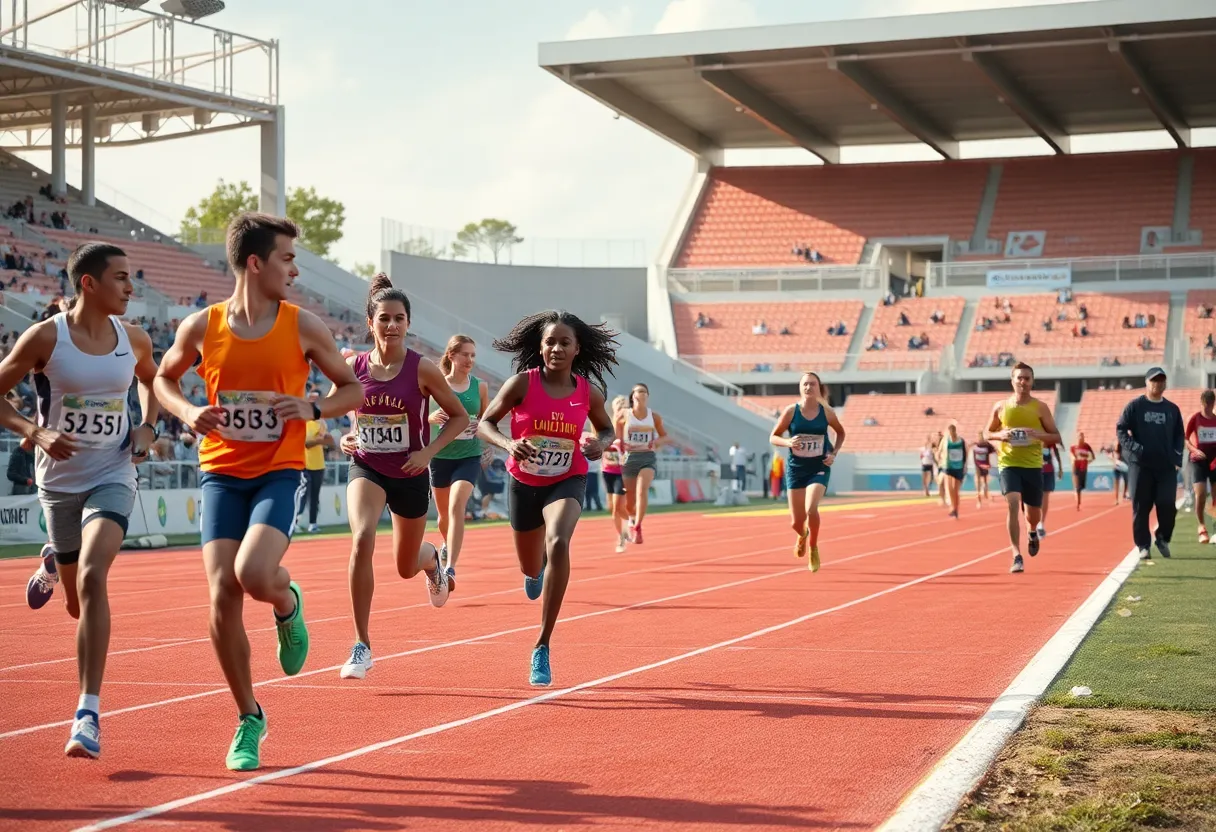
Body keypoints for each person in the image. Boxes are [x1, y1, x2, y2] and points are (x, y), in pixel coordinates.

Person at [154, 213, 363, 771]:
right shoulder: (202, 327)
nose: (294, 270)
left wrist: (313, 407)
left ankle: (287, 603)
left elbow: (353, 389)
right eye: (287, 259)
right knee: (222, 592)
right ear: (255, 262)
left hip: (279, 469)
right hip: (221, 471)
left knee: (252, 574)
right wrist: (188, 410)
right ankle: (249, 718)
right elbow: (163, 378)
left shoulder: (302, 326)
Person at [2, 242, 159, 759]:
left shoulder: (132, 338)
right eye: (121, 278)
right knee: (75, 603)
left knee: (94, 577)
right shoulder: (46, 338)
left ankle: (87, 713)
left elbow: (155, 383)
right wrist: (34, 430)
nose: (131, 288)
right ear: (88, 283)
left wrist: (147, 427)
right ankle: (52, 561)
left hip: (113, 473)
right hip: (58, 483)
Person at [338, 277, 469, 681]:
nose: (391, 325)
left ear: (408, 323)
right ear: (370, 322)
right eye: (384, 318)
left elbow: (459, 416)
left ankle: (431, 560)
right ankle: (362, 645)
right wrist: (347, 431)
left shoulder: (422, 368)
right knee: (362, 538)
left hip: (410, 472)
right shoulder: (353, 366)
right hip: (368, 465)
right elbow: (343, 402)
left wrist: (428, 452)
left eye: (398, 319)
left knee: (404, 566)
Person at [478, 310, 616, 686]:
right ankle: (534, 571)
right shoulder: (522, 383)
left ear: (577, 349)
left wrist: (598, 445)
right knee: (530, 563)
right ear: (540, 348)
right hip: (523, 481)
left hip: (566, 479)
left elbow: (606, 429)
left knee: (558, 541)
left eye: (564, 342)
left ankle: (542, 645)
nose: (556, 348)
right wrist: (509, 443)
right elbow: (485, 423)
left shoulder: (589, 393)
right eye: (550, 342)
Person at [984, 362, 1061, 574]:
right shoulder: (1000, 407)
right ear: (1012, 381)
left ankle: (1033, 532)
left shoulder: (1040, 407)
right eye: (1019, 378)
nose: (1023, 382)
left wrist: (1038, 435)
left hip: (1033, 466)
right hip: (1008, 463)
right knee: (1012, 503)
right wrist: (1000, 436)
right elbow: (986, 433)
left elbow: (1056, 436)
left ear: (1032, 381)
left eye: (1027, 378)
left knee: (1032, 515)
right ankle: (1016, 554)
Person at [769, 371, 845, 573]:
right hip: (796, 468)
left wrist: (834, 453)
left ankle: (813, 547)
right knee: (796, 522)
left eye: (812, 384)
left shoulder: (826, 412)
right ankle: (802, 535)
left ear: (819, 387)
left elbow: (841, 432)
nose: (808, 387)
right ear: (800, 388)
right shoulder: (790, 412)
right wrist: (787, 442)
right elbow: (773, 437)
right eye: (805, 384)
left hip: (819, 467)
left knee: (811, 508)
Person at [428, 334, 487, 585]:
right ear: (451, 355)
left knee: (456, 506)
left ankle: (450, 567)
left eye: (473, 355)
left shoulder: (480, 387)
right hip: (440, 456)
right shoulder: (435, 385)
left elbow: (486, 421)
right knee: (443, 517)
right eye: (465, 354)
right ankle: (446, 544)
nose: (470, 360)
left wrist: (487, 445)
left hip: (469, 455)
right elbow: (418, 416)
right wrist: (431, 417)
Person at [1116, 367, 1184, 561]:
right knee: (1141, 506)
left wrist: (1177, 456)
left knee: (1168, 505)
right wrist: (1134, 449)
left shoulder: (1172, 409)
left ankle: (1162, 537)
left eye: (1162, 380)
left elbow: (1180, 434)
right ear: (1147, 382)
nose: (1158, 383)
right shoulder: (1135, 406)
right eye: (1154, 380)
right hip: (1141, 466)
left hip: (1165, 467)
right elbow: (1121, 430)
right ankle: (1143, 545)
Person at [616, 383, 668, 544]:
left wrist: (657, 443)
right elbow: (615, 435)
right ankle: (632, 520)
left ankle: (638, 526)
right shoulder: (623, 414)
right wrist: (620, 444)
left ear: (648, 396)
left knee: (642, 490)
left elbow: (664, 436)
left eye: (645, 391)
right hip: (630, 459)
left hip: (647, 457)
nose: (643, 394)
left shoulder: (654, 417)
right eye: (639, 391)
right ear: (633, 396)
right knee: (630, 502)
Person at [293, 389, 330, 534]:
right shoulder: (303, 421)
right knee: (302, 496)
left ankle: (313, 523)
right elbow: (307, 443)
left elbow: (328, 441)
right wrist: (320, 439)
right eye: (311, 399)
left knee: (314, 497)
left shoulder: (321, 422)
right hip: (304, 464)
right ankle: (295, 521)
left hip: (318, 464)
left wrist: (321, 440)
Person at [1184, 389, 1216, 543]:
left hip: (1214, 460)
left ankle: (1215, 529)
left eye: (1210, 405)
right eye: (1205, 405)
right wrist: (1195, 450)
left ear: (1213, 404)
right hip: (1198, 460)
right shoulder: (1195, 418)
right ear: (1201, 403)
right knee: (1201, 494)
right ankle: (1201, 526)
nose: (1207, 408)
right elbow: (1185, 439)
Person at [601, 395, 629, 552]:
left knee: (618, 506)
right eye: (619, 403)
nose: (621, 406)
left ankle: (621, 539)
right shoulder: (607, 426)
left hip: (622, 473)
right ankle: (626, 527)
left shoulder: (629, 427)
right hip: (607, 470)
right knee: (613, 509)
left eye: (624, 404)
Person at [939, 422, 967, 518]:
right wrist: (940, 458)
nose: (950, 433)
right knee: (950, 489)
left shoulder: (961, 441)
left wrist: (964, 466)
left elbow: (965, 453)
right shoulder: (945, 440)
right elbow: (939, 451)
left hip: (958, 467)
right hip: (948, 466)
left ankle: (956, 508)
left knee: (955, 490)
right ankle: (953, 508)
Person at [1037, 439, 1064, 535]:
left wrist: (1060, 468)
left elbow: (1057, 455)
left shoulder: (1050, 442)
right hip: (1035, 472)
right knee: (1036, 498)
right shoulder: (1034, 440)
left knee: (1045, 497)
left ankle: (1041, 523)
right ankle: (1034, 521)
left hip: (1048, 472)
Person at [1069, 432, 1095, 511]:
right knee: (1078, 487)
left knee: (1082, 486)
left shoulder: (1087, 446)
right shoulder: (1073, 447)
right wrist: (1073, 461)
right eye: (1079, 437)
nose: (1080, 439)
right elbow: (1071, 457)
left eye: (1082, 437)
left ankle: (1077, 494)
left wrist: (1087, 461)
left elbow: (1093, 457)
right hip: (1076, 468)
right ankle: (1078, 504)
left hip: (1083, 469)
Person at [972, 430, 995, 508]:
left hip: (985, 465)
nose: (980, 437)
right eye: (979, 435)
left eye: (981, 435)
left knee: (985, 482)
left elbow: (994, 450)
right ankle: (979, 500)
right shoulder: (975, 445)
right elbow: (974, 456)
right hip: (978, 465)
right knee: (978, 482)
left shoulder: (987, 445)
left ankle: (986, 494)